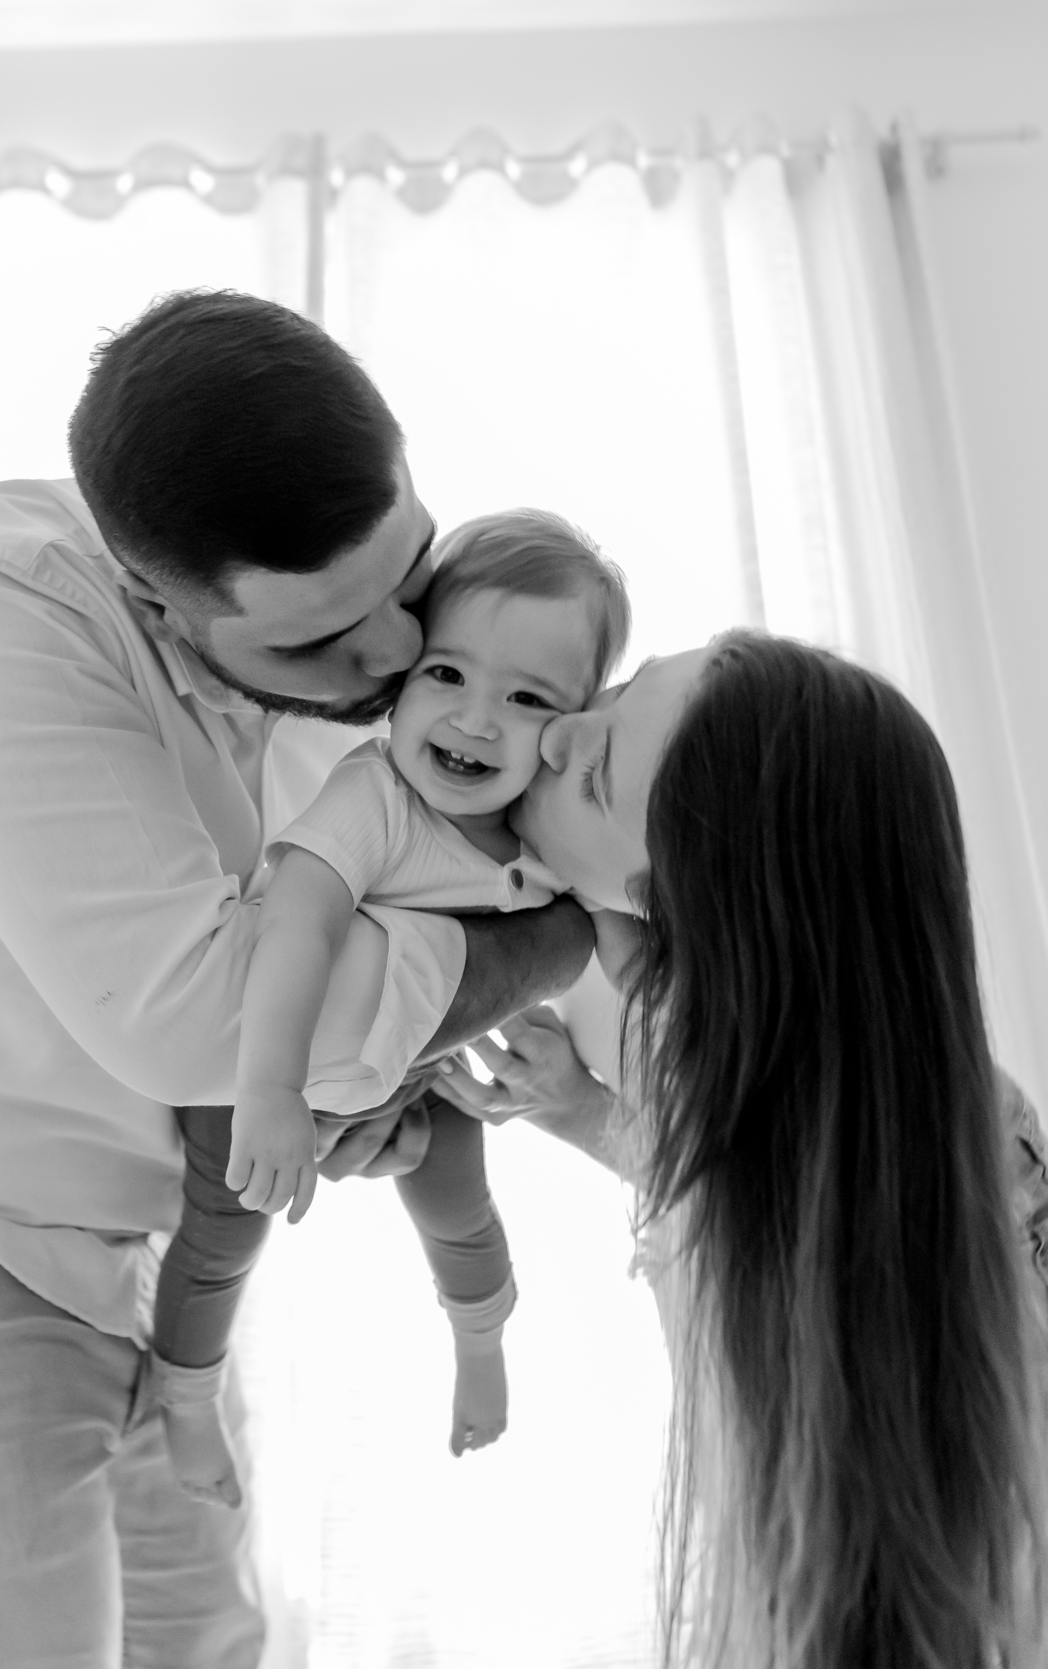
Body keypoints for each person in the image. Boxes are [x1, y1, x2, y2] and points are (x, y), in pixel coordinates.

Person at [0, 291, 595, 1669]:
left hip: (138, 1266)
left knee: (215, 1650)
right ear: (154, 600)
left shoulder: (367, 659)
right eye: (316, 642)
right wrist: (559, 943)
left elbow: (343, 966)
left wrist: (373, 1068)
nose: (388, 666)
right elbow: (205, 1013)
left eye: (403, 577)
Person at [438, 631, 1048, 1669]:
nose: (554, 738)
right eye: (620, 694)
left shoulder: (946, 1151)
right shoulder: (790, 1084)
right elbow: (739, 1201)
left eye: (592, 773)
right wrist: (579, 1108)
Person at [148, 510, 631, 1502]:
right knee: (221, 1238)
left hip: (420, 1073)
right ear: (403, 679)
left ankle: (484, 1346)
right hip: (263, 1070)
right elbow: (298, 924)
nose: (474, 718)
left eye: (527, 696)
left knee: (463, 1211)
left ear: (574, 725)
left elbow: (605, 936)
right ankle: (186, 1405)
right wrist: (271, 1089)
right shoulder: (376, 798)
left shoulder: (545, 833)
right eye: (446, 675)